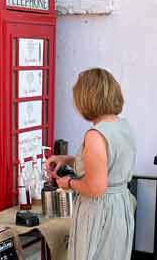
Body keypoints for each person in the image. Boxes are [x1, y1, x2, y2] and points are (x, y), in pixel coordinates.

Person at [45, 68, 136, 260]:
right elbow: (108, 163)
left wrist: (68, 183)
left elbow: (96, 188)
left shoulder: (95, 135)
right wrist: (67, 159)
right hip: (120, 206)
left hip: (98, 210)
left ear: (86, 99)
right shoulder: (122, 126)